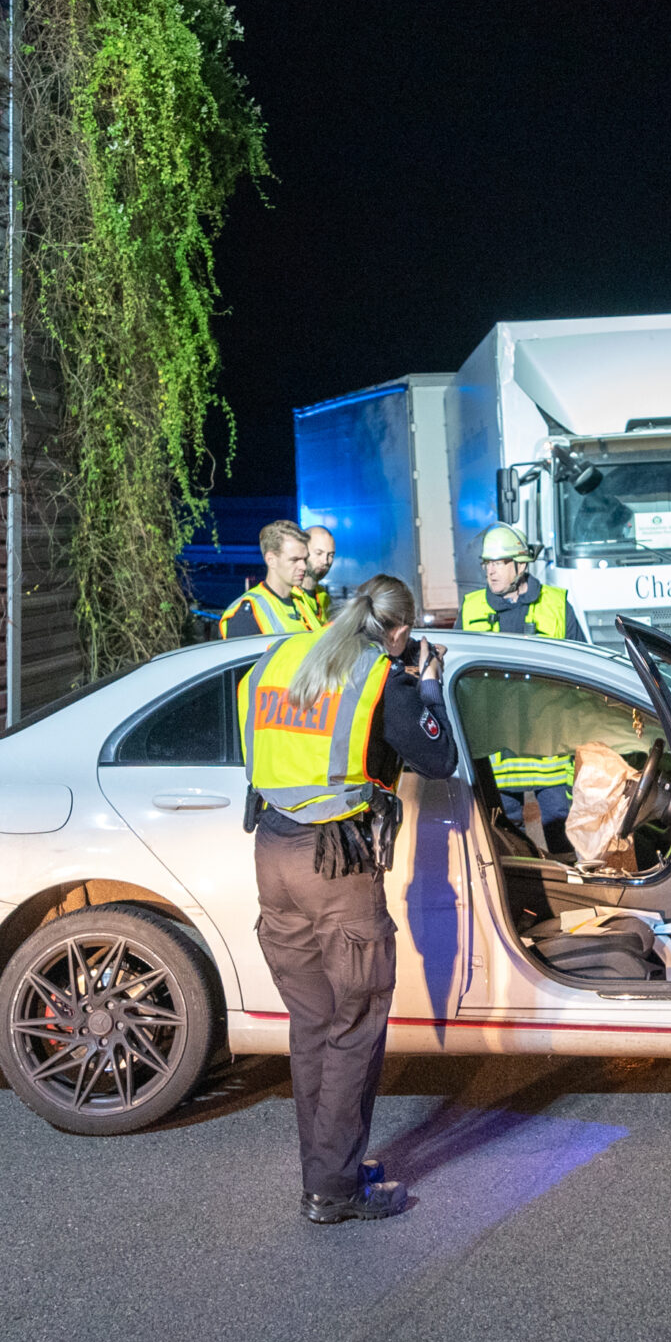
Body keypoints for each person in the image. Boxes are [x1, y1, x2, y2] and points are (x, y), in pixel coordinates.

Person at [238, 573, 457, 1223]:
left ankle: (327, 1169)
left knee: (314, 1024)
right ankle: (333, 1191)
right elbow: (436, 756)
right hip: (336, 866)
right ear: (397, 632)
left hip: (273, 855)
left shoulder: (278, 657)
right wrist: (429, 684)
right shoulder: (379, 679)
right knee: (354, 1026)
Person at [459, 523, 582, 846]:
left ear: (521, 565)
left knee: (562, 832)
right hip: (498, 756)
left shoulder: (556, 605)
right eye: (487, 564)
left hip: (550, 754)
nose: (490, 571)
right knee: (507, 841)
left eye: (498, 563)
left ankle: (569, 894)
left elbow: (582, 672)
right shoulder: (471, 609)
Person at [220, 520, 322, 640]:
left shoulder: (302, 601)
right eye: (294, 560)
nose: (303, 567)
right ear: (271, 560)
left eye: (305, 559)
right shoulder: (248, 612)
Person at [298, 525, 339, 625]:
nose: (325, 561)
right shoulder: (288, 595)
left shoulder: (323, 597)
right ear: (302, 551)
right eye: (318, 553)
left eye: (331, 555)